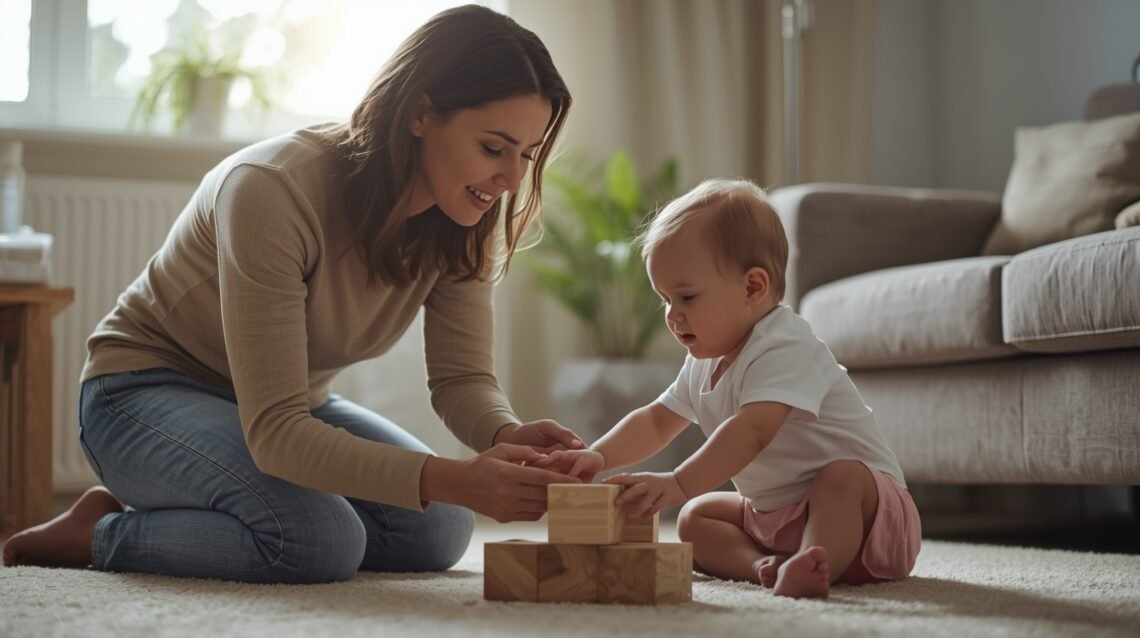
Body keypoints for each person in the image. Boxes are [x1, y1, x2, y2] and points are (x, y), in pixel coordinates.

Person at [2, 5, 586, 583]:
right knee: (315, 541)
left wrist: (507, 436)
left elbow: (461, 380)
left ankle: (206, 511)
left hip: (288, 404)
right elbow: (278, 434)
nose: (511, 179)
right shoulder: (271, 189)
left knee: (440, 528)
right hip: (140, 392)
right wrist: (453, 475)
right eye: (493, 148)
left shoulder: (464, 218)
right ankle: (99, 534)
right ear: (420, 113)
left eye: (526, 155)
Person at [536, 179, 921, 599]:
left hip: (869, 519)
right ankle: (765, 567)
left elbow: (753, 430)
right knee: (694, 517)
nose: (672, 315)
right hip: (777, 518)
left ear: (752, 288)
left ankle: (814, 561)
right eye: (665, 299)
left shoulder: (785, 345)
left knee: (840, 476)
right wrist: (599, 455)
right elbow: (657, 420)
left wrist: (679, 481)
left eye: (686, 297)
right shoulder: (703, 363)